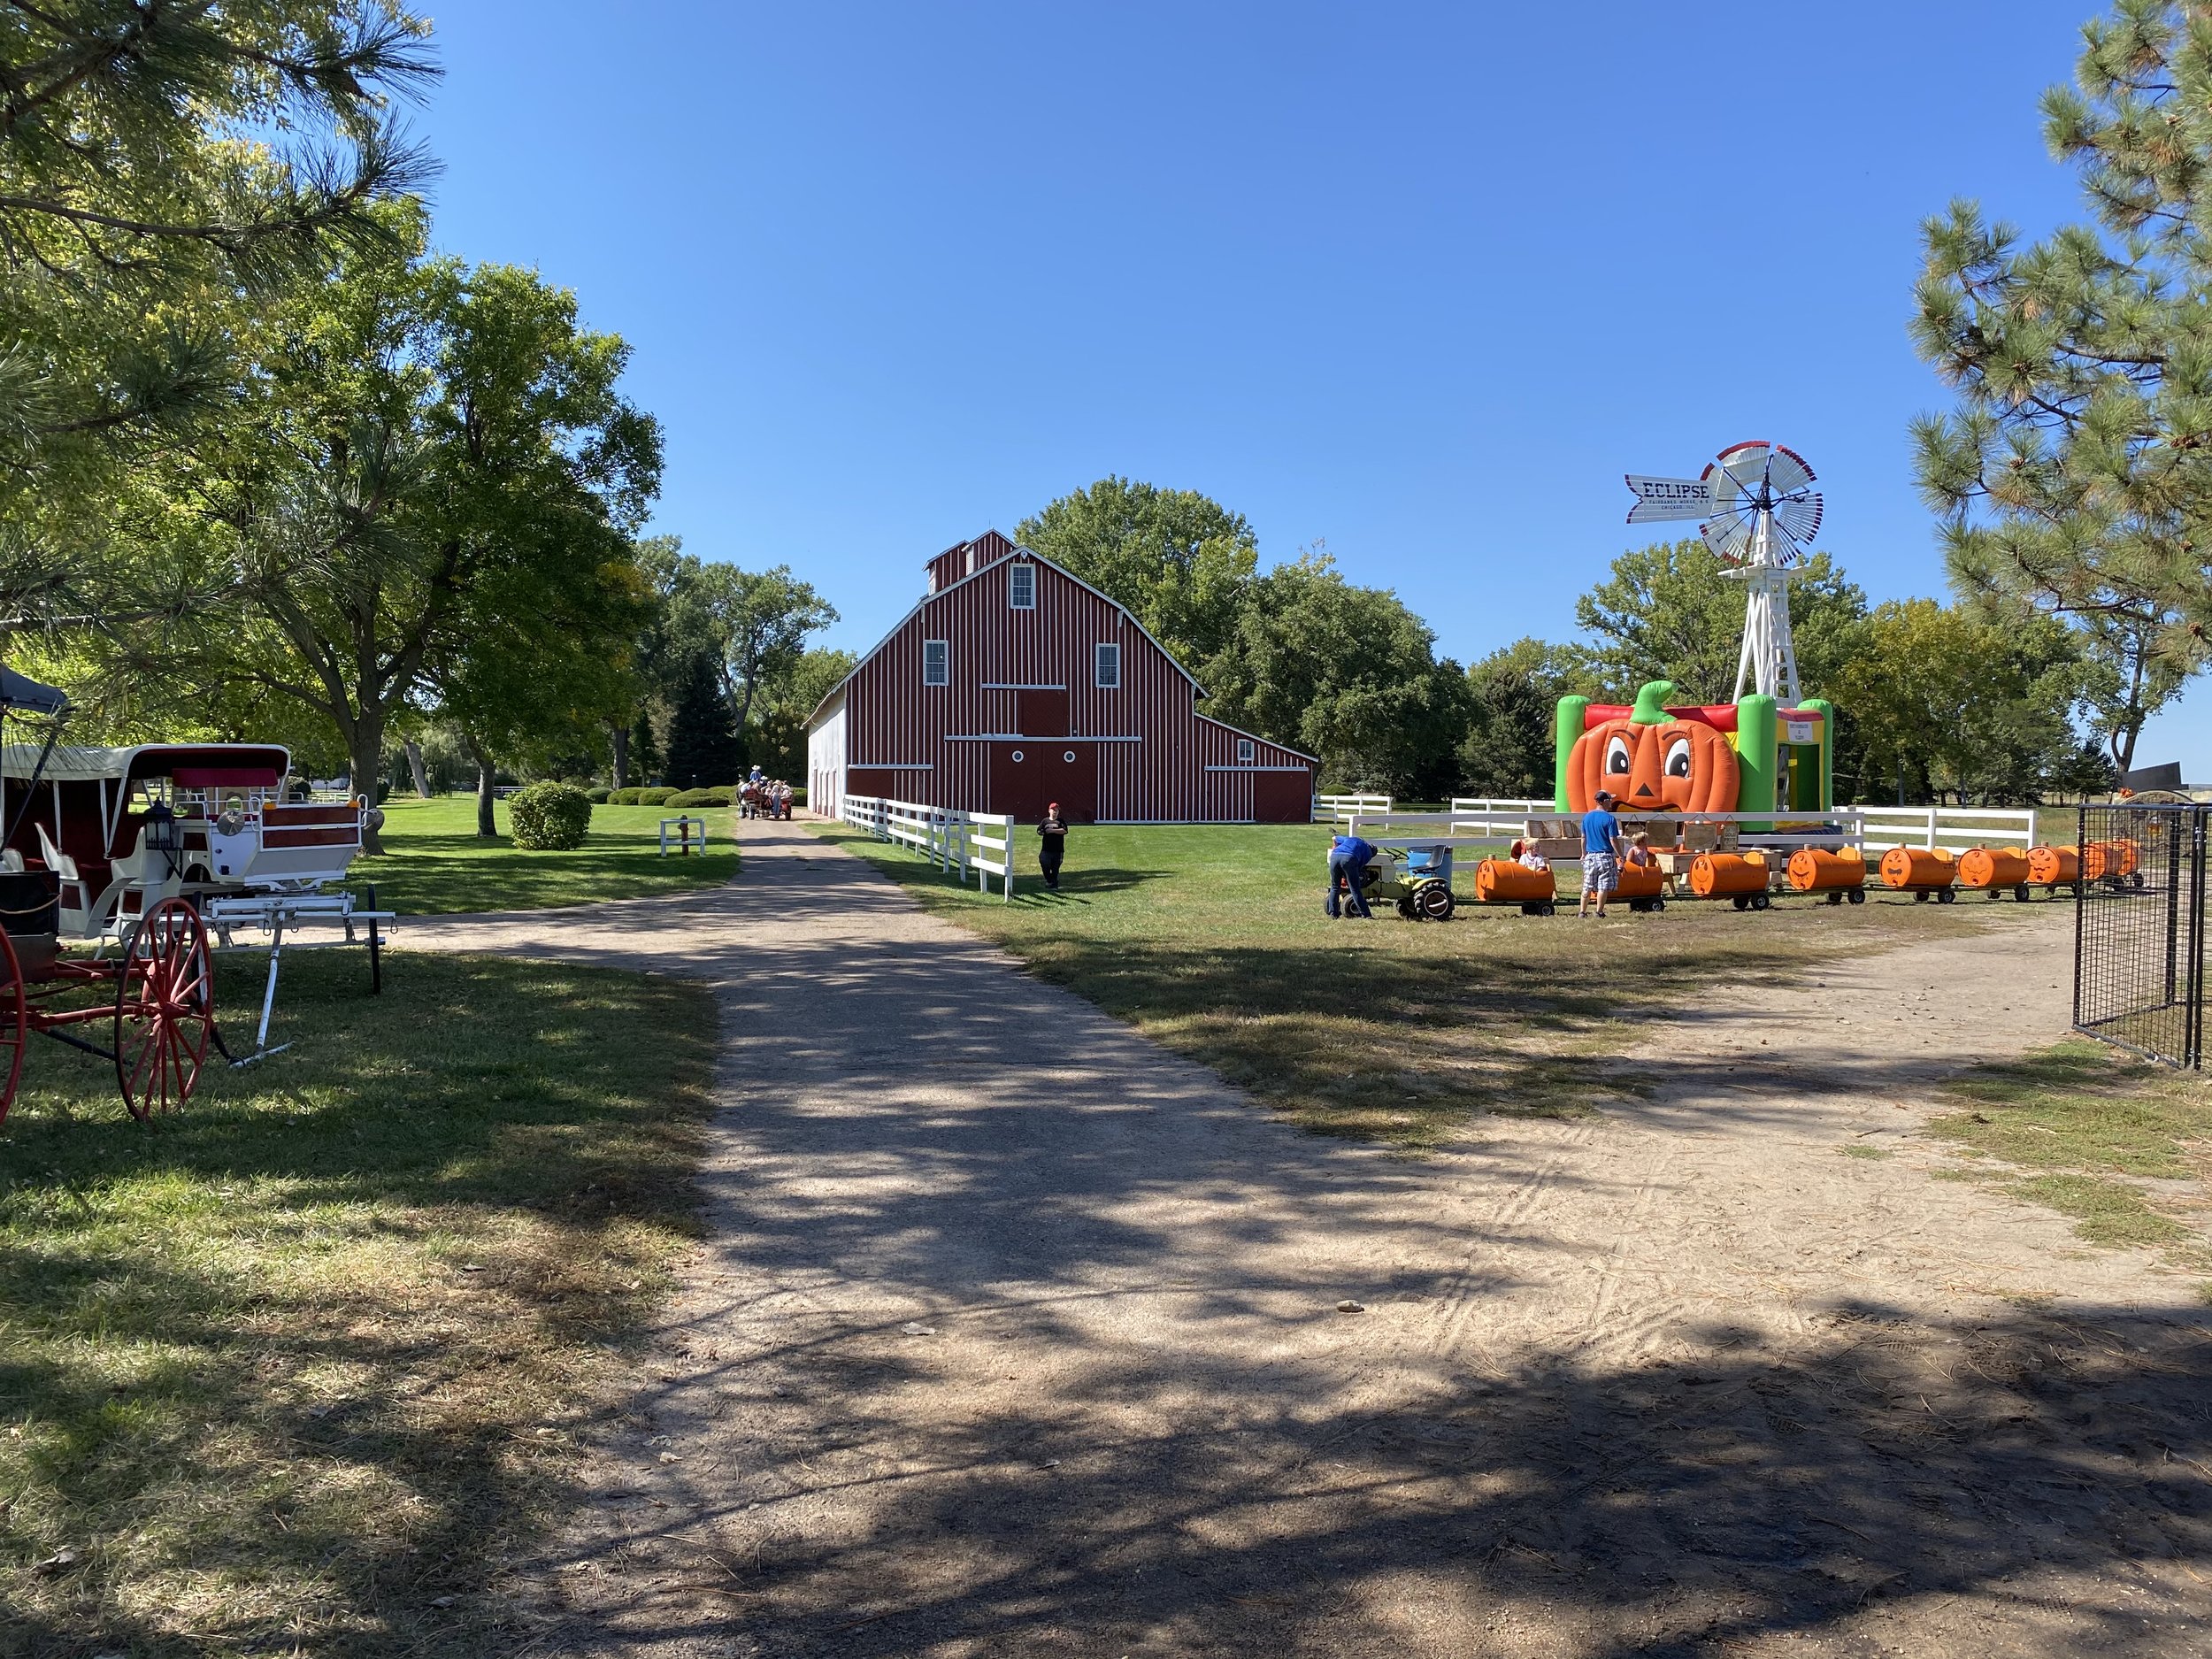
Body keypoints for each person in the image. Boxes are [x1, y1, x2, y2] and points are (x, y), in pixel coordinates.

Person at [1578, 789, 1624, 918]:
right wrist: (1621, 855)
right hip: (1605, 856)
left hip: (1591, 856)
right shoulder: (1610, 819)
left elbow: (1583, 838)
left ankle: (1582, 911)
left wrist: (1583, 853)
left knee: (1587, 884)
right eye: (1610, 800)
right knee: (1603, 885)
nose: (1612, 803)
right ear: (1605, 802)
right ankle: (1599, 911)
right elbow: (1613, 840)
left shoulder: (1587, 817)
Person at [1326, 831, 1378, 918]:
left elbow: (1334, 838)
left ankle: (1333, 914)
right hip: (1349, 858)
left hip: (1334, 856)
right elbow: (1359, 868)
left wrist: (1335, 847)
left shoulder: (1350, 839)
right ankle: (1366, 914)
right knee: (1355, 888)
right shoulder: (1368, 852)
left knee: (1335, 887)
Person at [1037, 802, 1069, 888]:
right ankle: (1049, 880)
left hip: (1058, 849)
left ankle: (1053, 884)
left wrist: (1053, 831)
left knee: (1055, 868)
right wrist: (1044, 832)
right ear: (1049, 810)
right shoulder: (1045, 821)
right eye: (1053, 810)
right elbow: (1039, 830)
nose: (1055, 811)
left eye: (1057, 810)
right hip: (1046, 848)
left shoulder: (1060, 821)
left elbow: (1065, 831)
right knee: (1044, 863)